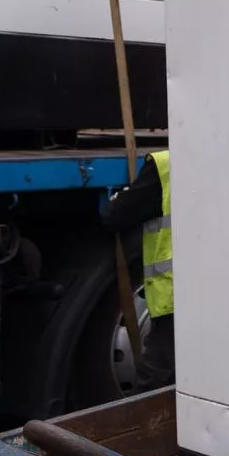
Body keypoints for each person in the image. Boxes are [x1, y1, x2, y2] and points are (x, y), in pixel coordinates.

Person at [100, 148, 175, 389]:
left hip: (174, 296)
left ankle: (156, 427)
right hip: (220, 293)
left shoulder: (165, 166)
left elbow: (115, 216)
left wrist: (116, 199)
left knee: (157, 377)